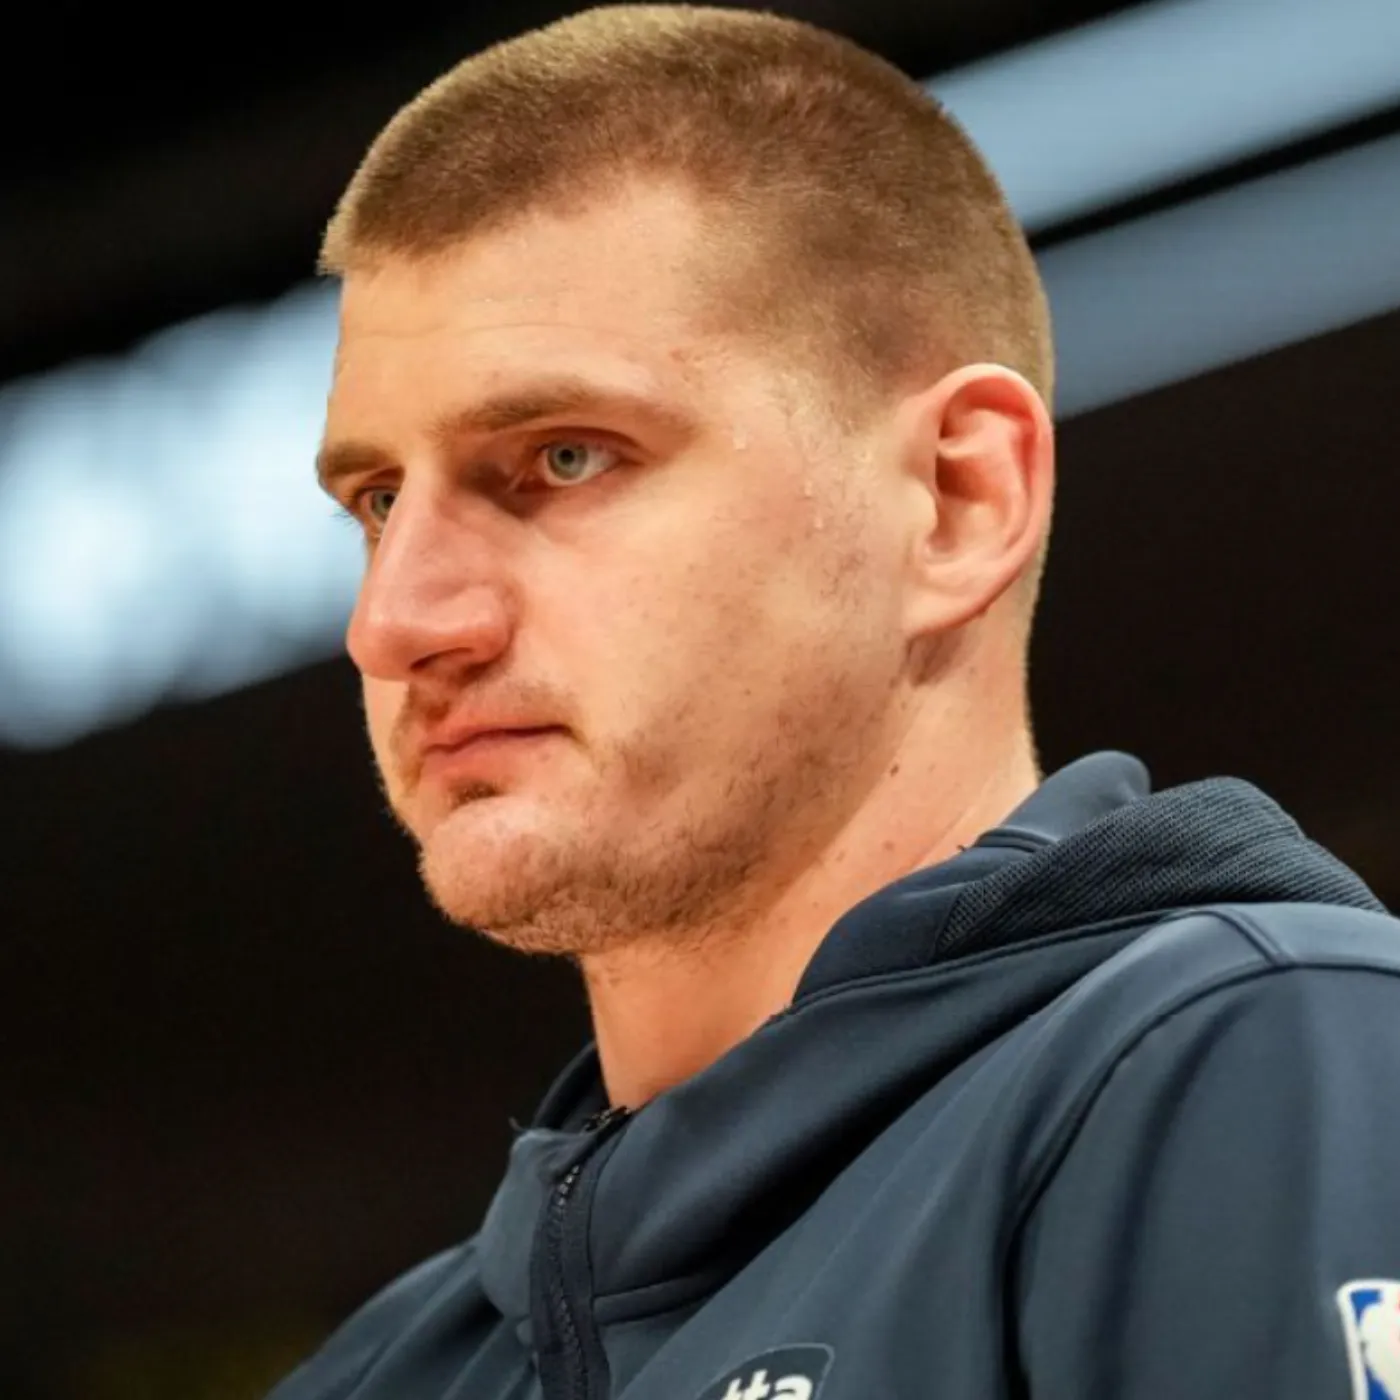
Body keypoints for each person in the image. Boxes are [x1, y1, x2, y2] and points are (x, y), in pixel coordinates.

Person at [269, 7, 1400, 1398]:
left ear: (955, 501)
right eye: (380, 501)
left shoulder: (1253, 1063)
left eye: (563, 458)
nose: (395, 624)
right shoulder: (379, 1374)